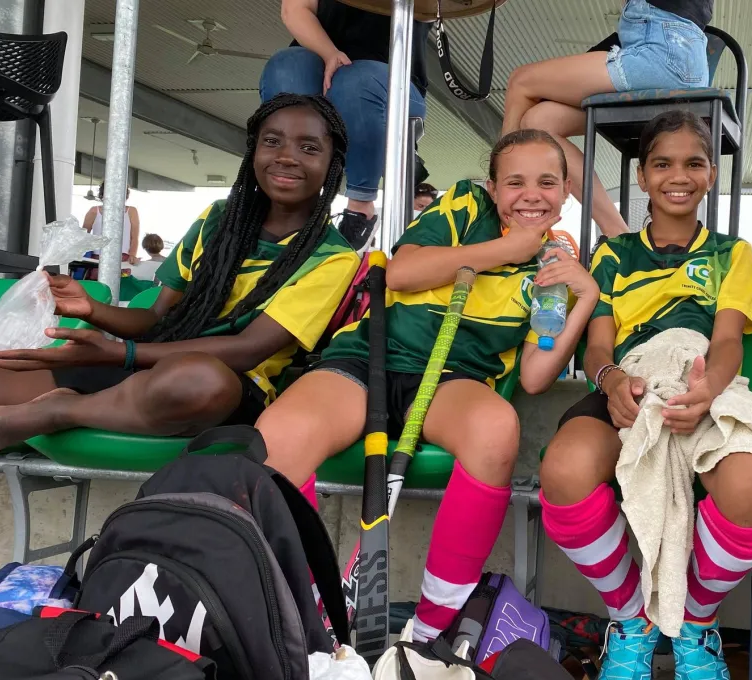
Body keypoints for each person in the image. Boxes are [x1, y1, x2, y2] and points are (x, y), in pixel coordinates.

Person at [256, 129, 597, 643]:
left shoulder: (556, 266)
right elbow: (401, 272)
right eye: (515, 182)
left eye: (547, 182)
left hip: (452, 382)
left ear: (566, 190)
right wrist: (503, 248)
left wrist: (585, 297)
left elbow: (534, 374)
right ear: (493, 185)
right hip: (367, 360)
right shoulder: (464, 206)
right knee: (278, 435)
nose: (532, 194)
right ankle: (298, 617)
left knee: (495, 428)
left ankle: (432, 630)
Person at [539, 111, 752, 680]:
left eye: (695, 163)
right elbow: (597, 347)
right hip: (628, 383)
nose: (679, 175)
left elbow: (726, 342)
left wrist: (706, 391)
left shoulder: (731, 253)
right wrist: (612, 382)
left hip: (701, 383)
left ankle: (696, 624)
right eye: (662, 163)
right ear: (640, 177)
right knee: (564, 471)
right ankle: (630, 623)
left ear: (711, 175)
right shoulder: (615, 255)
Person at [0, 94, 360, 450]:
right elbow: (156, 316)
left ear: (333, 165)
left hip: (224, 384)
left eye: (309, 148)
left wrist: (120, 352)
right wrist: (93, 311)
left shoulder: (332, 257)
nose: (286, 156)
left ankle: (60, 410)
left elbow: (248, 350)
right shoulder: (217, 219)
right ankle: (80, 407)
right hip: (145, 364)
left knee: (200, 381)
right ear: (253, 152)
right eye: (272, 141)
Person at [501, 0, 714, 238]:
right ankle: (616, 232)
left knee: (521, 81)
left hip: (663, 52)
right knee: (539, 121)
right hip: (668, 53)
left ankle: (497, 211)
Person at [263, 0, 431, 249]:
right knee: (286, 66)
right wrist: (330, 54)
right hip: (320, 64)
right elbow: (295, 10)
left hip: (392, 81)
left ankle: (361, 206)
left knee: (355, 81)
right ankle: (291, 204)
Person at [82, 183, 140, 265]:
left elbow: (134, 237)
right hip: (98, 256)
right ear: (103, 193)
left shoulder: (131, 211)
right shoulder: (94, 211)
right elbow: (83, 235)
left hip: (123, 257)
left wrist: (133, 254)